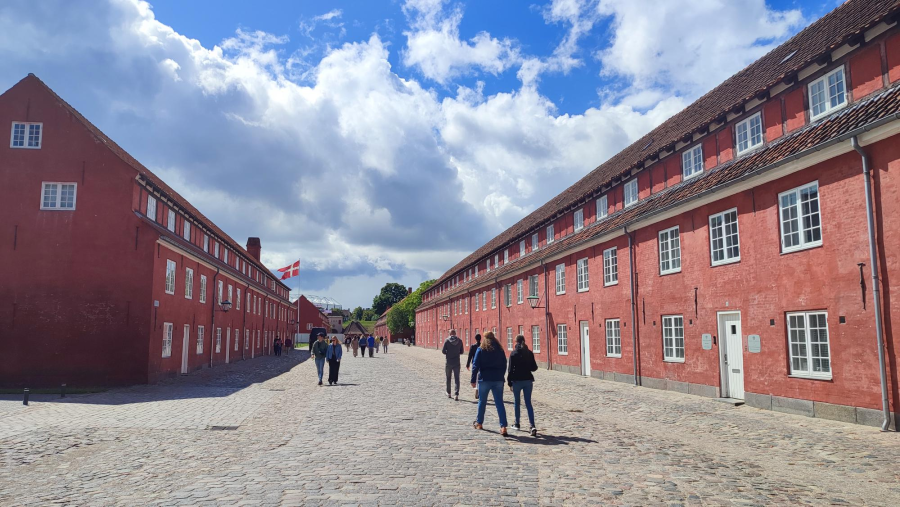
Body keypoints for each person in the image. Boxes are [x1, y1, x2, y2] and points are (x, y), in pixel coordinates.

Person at [470, 331, 508, 436]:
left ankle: (479, 423)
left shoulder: (481, 349)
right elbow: (504, 364)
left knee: (482, 402)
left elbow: (475, 365)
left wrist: (473, 380)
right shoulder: (500, 350)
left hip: (485, 379)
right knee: (499, 403)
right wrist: (501, 375)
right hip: (498, 380)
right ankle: (503, 426)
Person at [508, 335, 539, 436]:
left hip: (517, 381)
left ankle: (517, 423)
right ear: (524, 341)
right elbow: (534, 367)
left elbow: (510, 370)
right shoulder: (529, 353)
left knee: (517, 403)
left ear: (516, 342)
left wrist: (509, 382)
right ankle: (532, 425)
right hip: (527, 380)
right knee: (528, 403)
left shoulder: (513, 354)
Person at [442, 329, 464, 400]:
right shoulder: (460, 341)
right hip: (457, 362)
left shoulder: (447, 341)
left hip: (449, 362)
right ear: (455, 333)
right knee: (457, 378)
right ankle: (456, 394)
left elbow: (443, 351)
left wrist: (448, 353)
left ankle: (449, 393)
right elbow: (462, 351)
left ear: (450, 334)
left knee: (448, 378)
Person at [466, 334, 482, 400]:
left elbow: (470, 356)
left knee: (475, 377)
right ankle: (479, 390)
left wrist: (468, 364)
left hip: (475, 363)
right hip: (481, 364)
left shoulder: (473, 346)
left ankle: (477, 390)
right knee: (480, 378)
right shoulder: (482, 346)